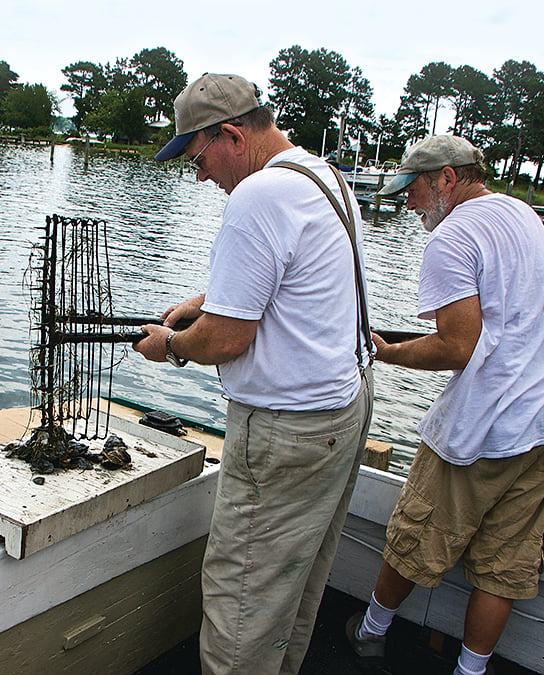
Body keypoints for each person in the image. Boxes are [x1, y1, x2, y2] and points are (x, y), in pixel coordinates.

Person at [133, 73, 374, 674]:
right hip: (342, 413)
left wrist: (174, 344)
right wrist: (206, 300)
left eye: (199, 155)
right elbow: (292, 286)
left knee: (242, 601)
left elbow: (228, 338)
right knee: (292, 587)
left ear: (233, 136)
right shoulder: (324, 177)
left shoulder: (258, 196)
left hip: (285, 434)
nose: (199, 173)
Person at [345, 135, 544, 675]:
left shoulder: (451, 238)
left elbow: (457, 346)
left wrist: (389, 353)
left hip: (485, 428)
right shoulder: (522, 213)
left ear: (447, 178)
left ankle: (371, 633)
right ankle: (470, 671)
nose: (408, 203)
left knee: (415, 537)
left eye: (414, 190)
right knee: (505, 564)